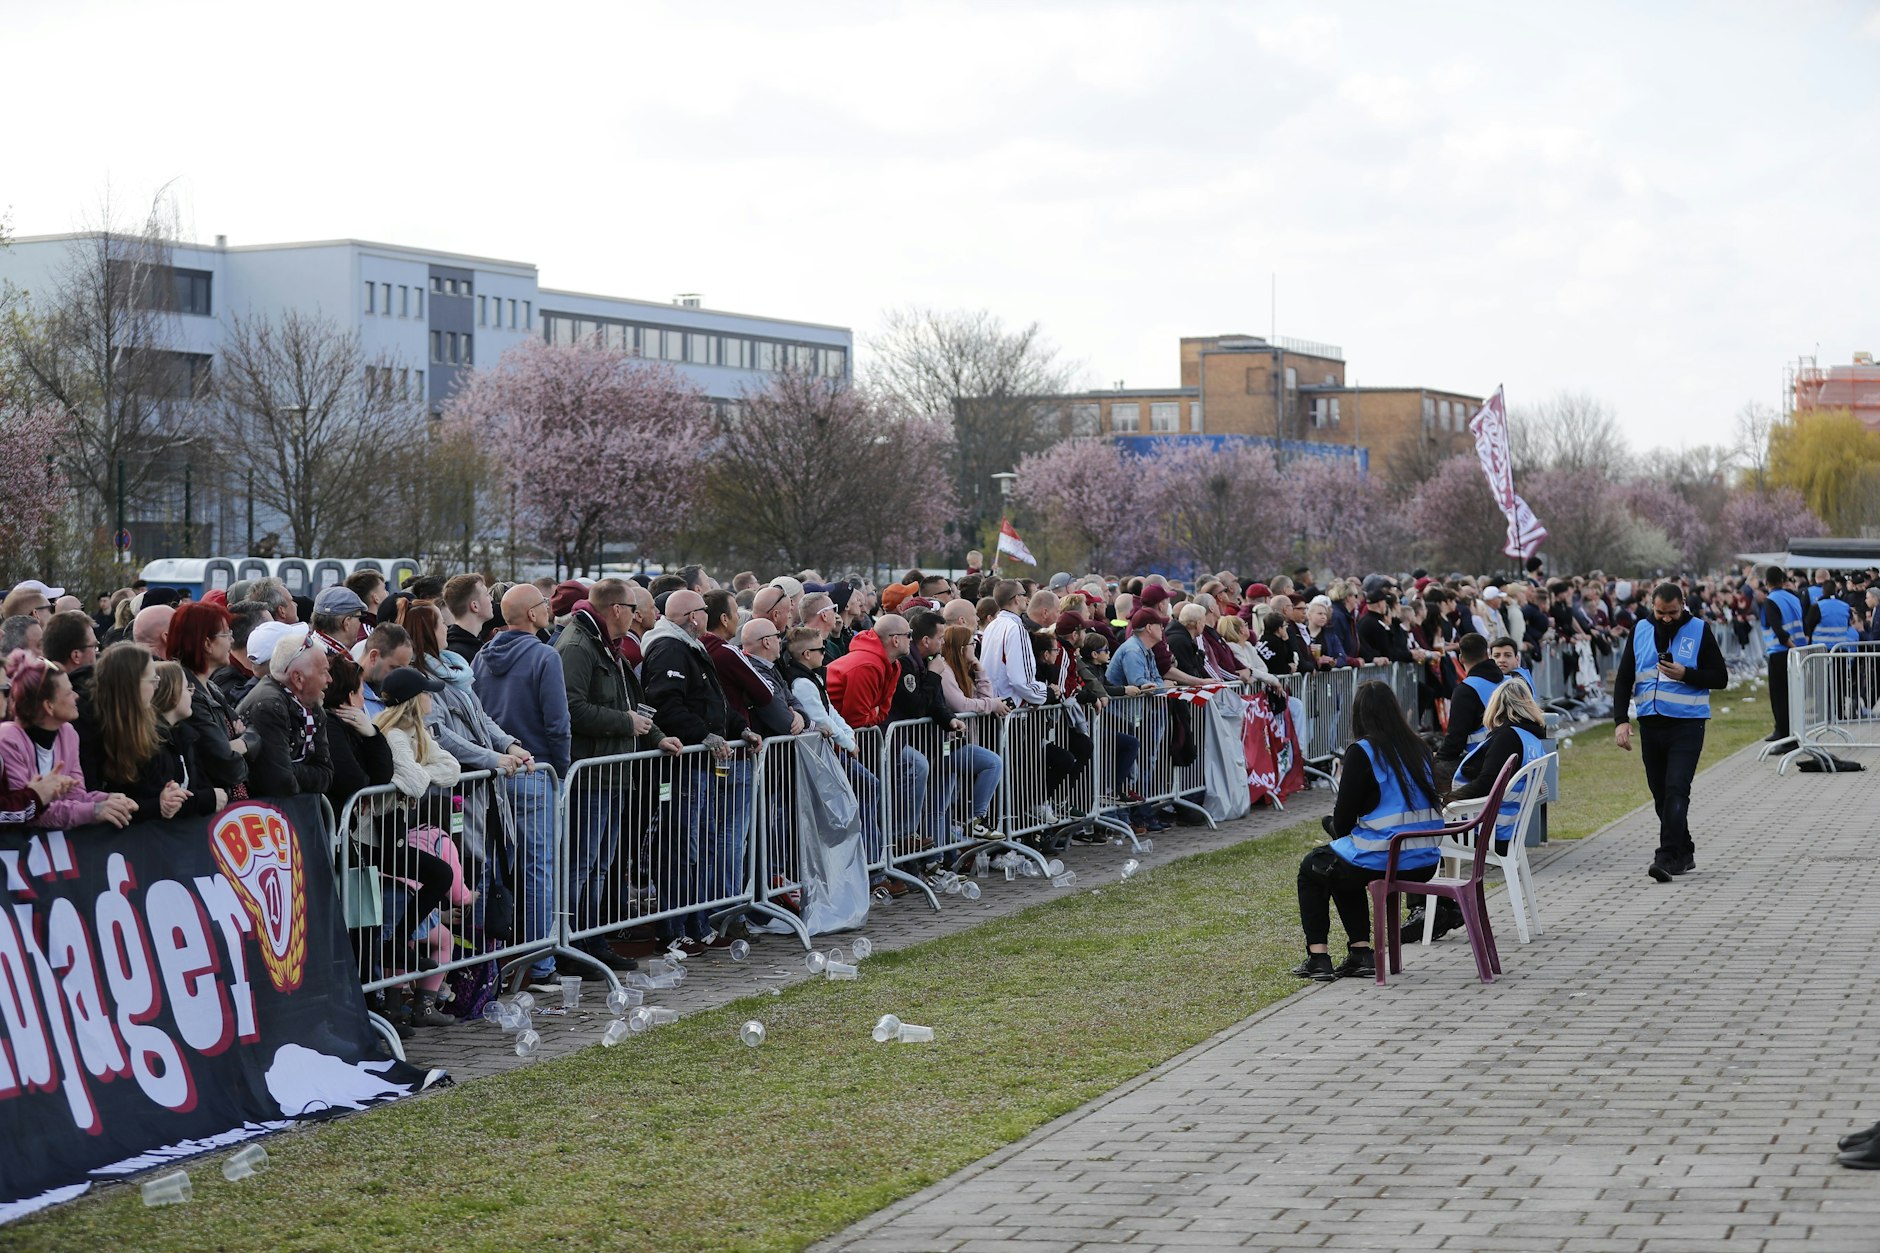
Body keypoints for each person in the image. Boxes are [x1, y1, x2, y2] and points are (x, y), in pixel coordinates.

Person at [557, 578, 677, 971]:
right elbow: (571, 709)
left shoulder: (607, 647)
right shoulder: (578, 645)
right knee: (581, 865)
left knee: (601, 865)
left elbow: (633, 702)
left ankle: (593, 941)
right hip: (591, 775)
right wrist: (624, 724)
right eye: (632, 607)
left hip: (614, 772)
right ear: (616, 610)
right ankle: (571, 946)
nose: (638, 615)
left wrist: (658, 736)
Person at [1294, 681, 1445, 981]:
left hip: (1387, 857)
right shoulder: (1420, 747)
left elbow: (1345, 818)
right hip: (1425, 859)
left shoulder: (1362, 752)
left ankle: (1319, 956)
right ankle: (1360, 953)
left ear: (1359, 715)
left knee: (1314, 867)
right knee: (1338, 862)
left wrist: (1335, 826)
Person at [641, 589, 763, 951]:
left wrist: (738, 727)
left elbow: (713, 702)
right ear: (692, 617)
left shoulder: (692, 647)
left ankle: (698, 923)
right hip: (685, 765)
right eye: (702, 611)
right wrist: (703, 735)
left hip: (702, 765)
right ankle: (675, 929)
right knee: (682, 848)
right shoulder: (669, 648)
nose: (707, 617)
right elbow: (665, 704)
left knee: (702, 846)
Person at [472, 584, 568, 991]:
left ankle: (490, 962)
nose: (549, 610)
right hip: (534, 772)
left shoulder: (480, 656)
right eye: (544, 605)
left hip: (494, 776)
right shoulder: (545, 656)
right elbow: (557, 723)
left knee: (493, 868)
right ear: (531, 614)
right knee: (538, 869)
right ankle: (539, 963)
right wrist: (560, 771)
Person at [1613, 582, 1726, 884]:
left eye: (1672, 613)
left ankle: (1666, 856)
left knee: (1677, 788)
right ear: (1652, 606)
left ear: (1683, 604)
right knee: (1661, 794)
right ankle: (1684, 849)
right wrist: (1621, 720)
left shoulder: (1700, 629)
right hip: (1651, 723)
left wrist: (1687, 674)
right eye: (1660, 612)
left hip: (1687, 724)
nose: (1666, 618)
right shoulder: (1639, 630)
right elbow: (1624, 678)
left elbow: (1721, 677)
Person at [0, 649, 137, 830]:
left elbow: (74, 796)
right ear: (49, 706)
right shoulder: (9, 739)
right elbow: (29, 811)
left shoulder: (68, 733)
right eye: (69, 693)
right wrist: (93, 811)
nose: (76, 697)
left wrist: (107, 799)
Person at [80, 645, 221, 820]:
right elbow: (93, 799)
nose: (156, 688)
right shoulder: (88, 726)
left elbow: (142, 795)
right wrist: (158, 805)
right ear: (132, 684)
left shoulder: (143, 724)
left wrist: (164, 801)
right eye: (152, 681)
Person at [166, 601, 257, 800]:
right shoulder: (188, 695)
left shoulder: (211, 688)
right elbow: (226, 766)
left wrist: (238, 745)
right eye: (226, 634)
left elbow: (252, 732)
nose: (232, 641)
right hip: (213, 810)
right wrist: (239, 745)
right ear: (207, 643)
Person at [237, 628, 335, 799]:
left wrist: (289, 768)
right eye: (323, 672)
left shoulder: (313, 705)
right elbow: (279, 782)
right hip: (260, 818)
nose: (329, 679)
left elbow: (326, 775)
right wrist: (290, 771)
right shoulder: (268, 706)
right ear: (298, 678)